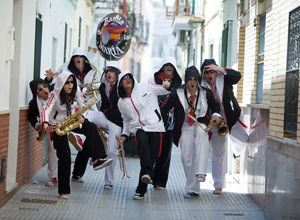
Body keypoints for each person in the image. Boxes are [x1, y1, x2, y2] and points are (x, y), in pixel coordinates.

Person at [41, 71, 113, 199]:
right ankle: (63, 191)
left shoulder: (76, 91)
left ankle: (97, 159)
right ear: (62, 83)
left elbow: (83, 106)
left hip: (71, 120)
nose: (70, 85)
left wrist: (83, 117)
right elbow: (45, 109)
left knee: (90, 126)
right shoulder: (54, 94)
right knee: (65, 157)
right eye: (67, 82)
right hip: (57, 126)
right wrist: (46, 124)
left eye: (72, 82)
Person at [160, 66, 221, 198]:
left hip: (201, 123)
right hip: (184, 126)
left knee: (201, 135)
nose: (192, 82)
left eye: (195, 79)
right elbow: (164, 108)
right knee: (186, 158)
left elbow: (216, 106)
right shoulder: (177, 93)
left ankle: (201, 173)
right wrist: (164, 120)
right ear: (186, 81)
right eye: (189, 79)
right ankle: (193, 189)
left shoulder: (206, 92)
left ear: (198, 80)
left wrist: (216, 115)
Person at [45, 47, 101, 183]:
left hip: (84, 110)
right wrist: (45, 123)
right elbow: (52, 84)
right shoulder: (65, 72)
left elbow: (94, 93)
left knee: (92, 130)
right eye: (76, 56)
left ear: (85, 59)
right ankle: (53, 176)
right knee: (58, 152)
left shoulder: (94, 72)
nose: (78, 59)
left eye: (81, 57)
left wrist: (85, 115)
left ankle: (95, 159)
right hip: (59, 119)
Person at [117, 70, 170, 200]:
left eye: (129, 76)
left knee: (150, 159)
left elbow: (162, 90)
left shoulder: (145, 87)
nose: (128, 79)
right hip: (139, 128)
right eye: (124, 78)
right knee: (142, 143)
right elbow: (126, 120)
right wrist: (124, 134)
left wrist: (167, 85)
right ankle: (143, 184)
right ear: (121, 84)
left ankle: (142, 188)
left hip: (156, 127)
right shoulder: (121, 102)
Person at [200, 58, 248, 194]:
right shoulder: (201, 85)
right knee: (218, 153)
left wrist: (220, 69)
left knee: (244, 139)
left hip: (232, 117)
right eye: (206, 72)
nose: (210, 75)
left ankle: (236, 150)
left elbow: (237, 76)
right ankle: (218, 185)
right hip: (214, 121)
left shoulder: (223, 78)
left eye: (212, 71)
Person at [72, 61, 123, 189]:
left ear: (117, 74)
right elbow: (102, 105)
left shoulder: (121, 87)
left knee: (111, 151)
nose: (108, 73)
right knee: (88, 114)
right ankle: (79, 136)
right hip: (105, 116)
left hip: (117, 122)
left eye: (111, 71)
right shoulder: (102, 86)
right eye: (107, 71)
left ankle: (109, 182)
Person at [148, 57, 182, 190]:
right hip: (154, 121)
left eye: (171, 65)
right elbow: (147, 94)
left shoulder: (180, 82)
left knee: (165, 152)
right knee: (153, 150)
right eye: (166, 65)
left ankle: (160, 182)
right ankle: (148, 175)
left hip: (170, 122)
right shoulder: (153, 79)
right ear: (162, 67)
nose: (168, 67)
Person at [28, 78, 58, 187]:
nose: (45, 90)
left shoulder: (55, 92)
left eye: (45, 86)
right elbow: (31, 118)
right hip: (49, 127)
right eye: (40, 89)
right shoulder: (34, 103)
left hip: (62, 122)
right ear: (36, 93)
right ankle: (53, 177)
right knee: (52, 149)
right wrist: (39, 126)